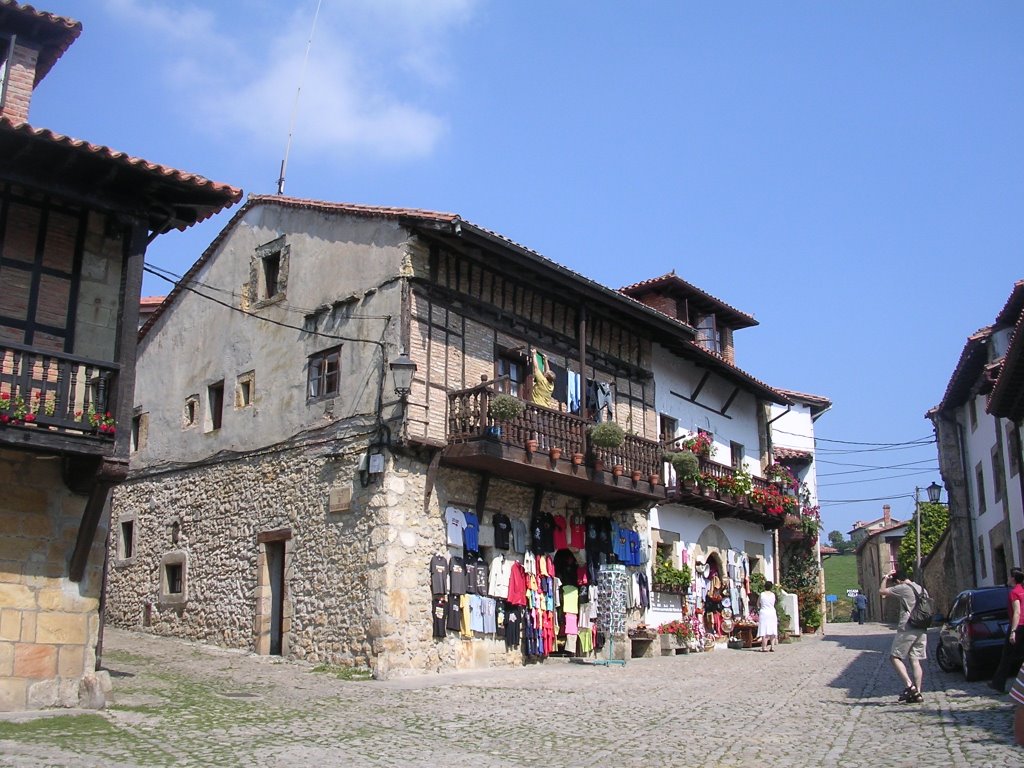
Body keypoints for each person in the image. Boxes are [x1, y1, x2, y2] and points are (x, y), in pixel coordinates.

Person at [879, 568, 928, 703]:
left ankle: (910, 686)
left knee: (894, 657)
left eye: (895, 583)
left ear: (898, 581)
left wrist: (886, 578)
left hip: (908, 627)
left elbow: (882, 592)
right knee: (915, 660)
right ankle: (918, 693)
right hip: (922, 627)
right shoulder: (921, 588)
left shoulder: (903, 587)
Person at [990, 568, 1024, 693]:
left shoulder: (1014, 592)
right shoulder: (1023, 590)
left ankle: (998, 683)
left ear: (1013, 579)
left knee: (1007, 656)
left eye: (1009, 577)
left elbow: (1017, 612)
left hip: (1018, 625)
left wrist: (1013, 631)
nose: (1008, 579)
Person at [757, 581, 778, 652]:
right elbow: (774, 603)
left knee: (764, 629)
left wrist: (760, 607)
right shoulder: (773, 595)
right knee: (772, 629)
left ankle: (764, 647)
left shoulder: (762, 594)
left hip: (764, 612)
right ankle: (772, 646)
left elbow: (758, 604)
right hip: (772, 612)